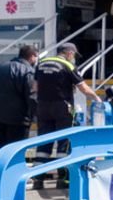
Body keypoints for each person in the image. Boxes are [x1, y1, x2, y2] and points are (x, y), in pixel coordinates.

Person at [34, 42, 101, 190]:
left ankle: (38, 179)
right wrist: (97, 98)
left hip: (43, 106)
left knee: (43, 142)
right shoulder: (68, 66)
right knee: (64, 142)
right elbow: (83, 88)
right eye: (74, 56)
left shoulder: (41, 63)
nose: (74, 59)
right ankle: (63, 179)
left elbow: (35, 87)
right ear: (69, 53)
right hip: (62, 107)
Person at [0, 44, 37, 149]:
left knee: (3, 147)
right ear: (32, 56)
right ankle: (14, 166)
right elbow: (31, 96)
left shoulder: (0, 68)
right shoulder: (28, 71)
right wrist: (36, 115)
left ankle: (3, 165)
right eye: (36, 56)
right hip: (19, 118)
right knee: (17, 149)